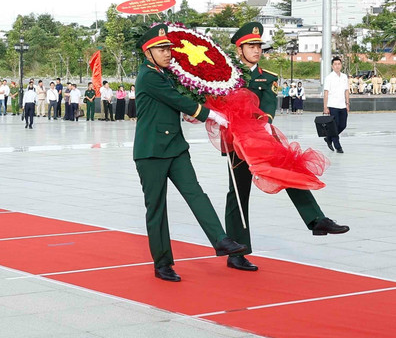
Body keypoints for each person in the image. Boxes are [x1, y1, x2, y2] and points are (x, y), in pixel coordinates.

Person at [224, 23, 349, 273]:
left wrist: (264, 123)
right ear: (239, 49)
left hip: (262, 138)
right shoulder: (226, 76)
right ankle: (237, 252)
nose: (257, 50)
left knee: (290, 171)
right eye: (251, 46)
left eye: (259, 46)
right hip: (237, 142)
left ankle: (316, 220)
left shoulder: (267, 77)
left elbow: (269, 104)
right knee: (238, 194)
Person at [132, 24, 244, 282]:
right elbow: (176, 99)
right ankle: (163, 263)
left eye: (168, 48)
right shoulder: (148, 76)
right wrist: (208, 114)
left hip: (175, 147)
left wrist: (193, 111)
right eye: (161, 49)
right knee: (157, 209)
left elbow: (176, 102)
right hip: (151, 152)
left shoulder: (165, 75)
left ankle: (221, 239)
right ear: (148, 53)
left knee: (195, 193)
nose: (167, 53)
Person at [323, 56, 350, 154]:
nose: (337, 66)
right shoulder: (329, 78)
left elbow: (346, 91)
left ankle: (329, 138)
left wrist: (347, 103)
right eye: (335, 64)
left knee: (343, 125)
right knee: (335, 125)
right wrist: (325, 107)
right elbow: (326, 93)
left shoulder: (344, 77)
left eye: (339, 64)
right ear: (332, 66)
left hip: (342, 105)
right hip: (333, 105)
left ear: (341, 65)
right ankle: (338, 146)